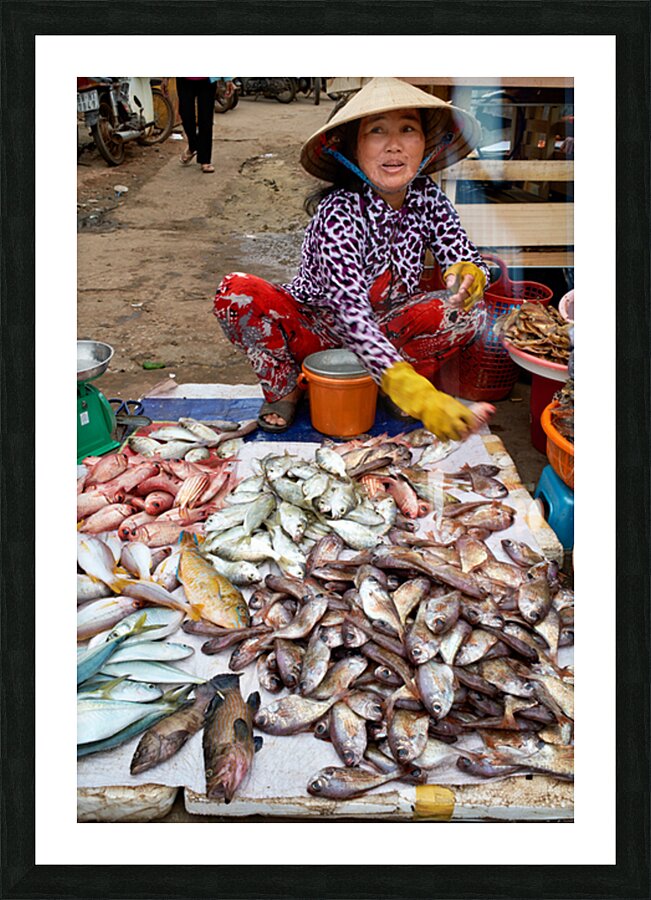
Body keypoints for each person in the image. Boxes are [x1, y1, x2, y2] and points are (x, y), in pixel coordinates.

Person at [213, 77, 491, 437]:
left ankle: (390, 382)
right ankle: (285, 388)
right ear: (352, 149)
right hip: (317, 328)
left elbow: (461, 254)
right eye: (377, 132)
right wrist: (422, 396)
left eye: (408, 129)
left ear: (426, 144)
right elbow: (350, 315)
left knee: (469, 310)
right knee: (236, 293)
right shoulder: (339, 212)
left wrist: (467, 275)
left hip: (389, 327)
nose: (394, 145)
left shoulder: (428, 198)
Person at [177, 77, 232, 173]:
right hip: (184, 79)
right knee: (186, 114)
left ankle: (205, 160)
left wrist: (228, 79)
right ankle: (193, 145)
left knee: (206, 118)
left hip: (207, 80)